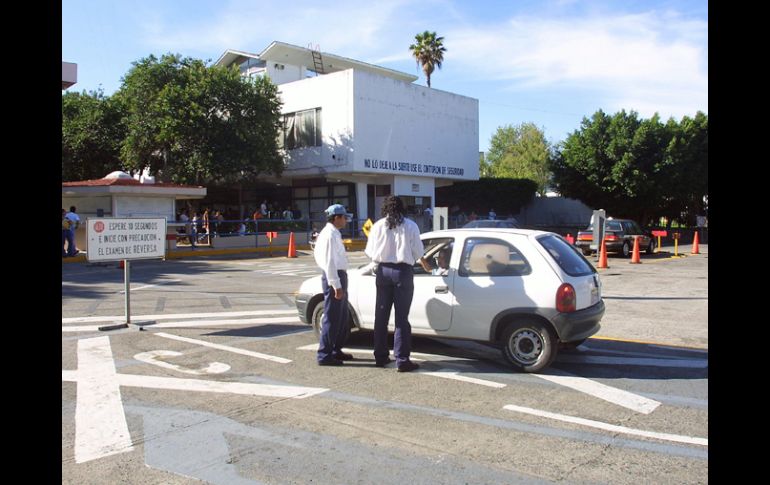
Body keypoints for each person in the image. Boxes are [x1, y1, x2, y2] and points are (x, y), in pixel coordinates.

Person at [365, 195, 431, 372]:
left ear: (385, 209)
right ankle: (402, 359)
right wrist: (424, 262)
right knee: (401, 318)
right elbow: (418, 251)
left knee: (381, 316)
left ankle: (380, 356)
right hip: (403, 272)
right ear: (402, 208)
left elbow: (370, 252)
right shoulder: (410, 225)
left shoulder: (378, 226)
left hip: (383, 271)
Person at [314, 204, 354, 366]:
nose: (346, 220)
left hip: (339, 276)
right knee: (332, 317)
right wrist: (336, 285)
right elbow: (329, 262)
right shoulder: (329, 235)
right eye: (344, 217)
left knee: (341, 317)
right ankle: (325, 354)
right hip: (334, 277)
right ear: (336, 218)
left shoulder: (333, 233)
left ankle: (335, 349)